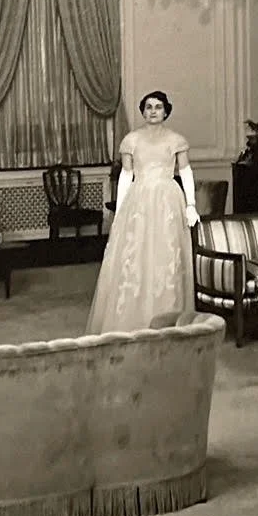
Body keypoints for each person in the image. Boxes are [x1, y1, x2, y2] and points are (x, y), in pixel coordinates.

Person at [86, 90, 199, 334]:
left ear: (166, 111)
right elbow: (127, 174)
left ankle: (167, 315)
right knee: (135, 254)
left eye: (158, 107)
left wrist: (191, 205)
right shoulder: (131, 140)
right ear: (143, 111)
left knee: (166, 254)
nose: (153, 111)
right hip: (139, 200)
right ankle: (133, 317)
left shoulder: (176, 140)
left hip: (168, 200)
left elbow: (186, 172)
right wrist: (121, 206)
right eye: (148, 107)